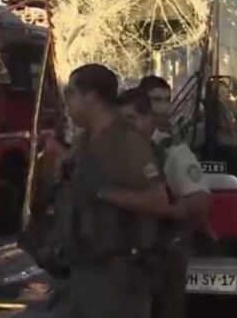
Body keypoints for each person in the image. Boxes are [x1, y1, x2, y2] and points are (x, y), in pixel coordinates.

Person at [53, 64, 165, 318]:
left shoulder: (127, 142)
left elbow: (159, 201)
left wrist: (104, 193)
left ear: (91, 97)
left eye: (71, 93)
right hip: (81, 272)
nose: (66, 101)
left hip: (117, 278)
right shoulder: (83, 141)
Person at [111, 88, 214, 318]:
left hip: (162, 257)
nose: (126, 128)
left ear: (149, 119)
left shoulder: (171, 152)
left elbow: (198, 204)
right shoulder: (113, 152)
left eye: (131, 119)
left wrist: (165, 217)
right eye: (120, 122)